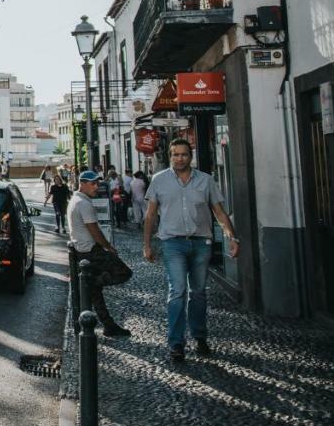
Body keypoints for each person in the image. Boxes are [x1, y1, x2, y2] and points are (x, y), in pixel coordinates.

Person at [143, 138, 240, 363]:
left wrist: (232, 237)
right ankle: (176, 343)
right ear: (170, 156)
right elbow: (150, 215)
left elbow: (219, 212)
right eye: (175, 154)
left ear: (191, 156)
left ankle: (200, 336)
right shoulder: (159, 180)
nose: (180, 158)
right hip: (172, 243)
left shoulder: (206, 180)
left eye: (184, 154)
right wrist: (147, 244)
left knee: (198, 292)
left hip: (201, 243)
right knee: (177, 291)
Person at [68, 170, 133, 337]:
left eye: (97, 183)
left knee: (96, 297)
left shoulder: (76, 200)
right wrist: (108, 246)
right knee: (124, 272)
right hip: (91, 251)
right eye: (93, 184)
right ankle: (93, 283)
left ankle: (109, 325)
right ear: (82, 184)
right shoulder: (83, 203)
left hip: (82, 251)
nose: (96, 187)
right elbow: (94, 230)